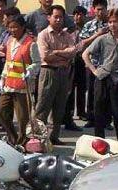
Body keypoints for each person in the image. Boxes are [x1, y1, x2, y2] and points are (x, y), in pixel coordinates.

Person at [82, 8, 118, 145]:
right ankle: (99, 144)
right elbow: (85, 54)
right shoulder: (102, 39)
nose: (112, 24)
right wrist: (94, 70)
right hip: (102, 79)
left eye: (115, 21)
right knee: (99, 114)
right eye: (110, 22)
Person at [35, 5, 80, 145]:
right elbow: (46, 56)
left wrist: (56, 52)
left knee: (59, 107)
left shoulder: (67, 35)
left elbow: (73, 52)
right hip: (48, 72)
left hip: (63, 73)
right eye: (56, 17)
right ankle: (38, 137)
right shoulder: (43, 35)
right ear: (49, 17)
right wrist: (63, 55)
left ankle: (54, 137)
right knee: (43, 106)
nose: (59, 20)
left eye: (61, 17)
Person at [0, 14, 40, 146]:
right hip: (9, 85)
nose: (12, 30)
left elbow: (37, 63)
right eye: (10, 27)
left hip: (23, 87)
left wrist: (30, 71)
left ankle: (22, 143)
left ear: (22, 27)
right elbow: (8, 62)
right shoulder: (10, 41)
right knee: (1, 111)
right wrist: (2, 77)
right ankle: (12, 137)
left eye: (15, 27)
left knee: (22, 119)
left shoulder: (30, 43)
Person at [78, 0, 109, 129]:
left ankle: (107, 120)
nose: (100, 12)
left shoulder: (111, 24)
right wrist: (97, 34)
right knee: (91, 92)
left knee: (107, 93)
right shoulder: (89, 25)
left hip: (107, 64)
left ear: (106, 9)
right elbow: (82, 43)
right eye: (98, 9)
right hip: (92, 64)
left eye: (102, 9)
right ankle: (91, 118)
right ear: (94, 10)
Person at [62, 5, 87, 131]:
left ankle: (82, 112)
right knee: (70, 89)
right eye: (76, 14)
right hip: (71, 61)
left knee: (82, 88)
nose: (78, 17)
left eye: (80, 14)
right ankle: (69, 114)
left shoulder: (87, 28)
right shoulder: (68, 30)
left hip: (83, 61)